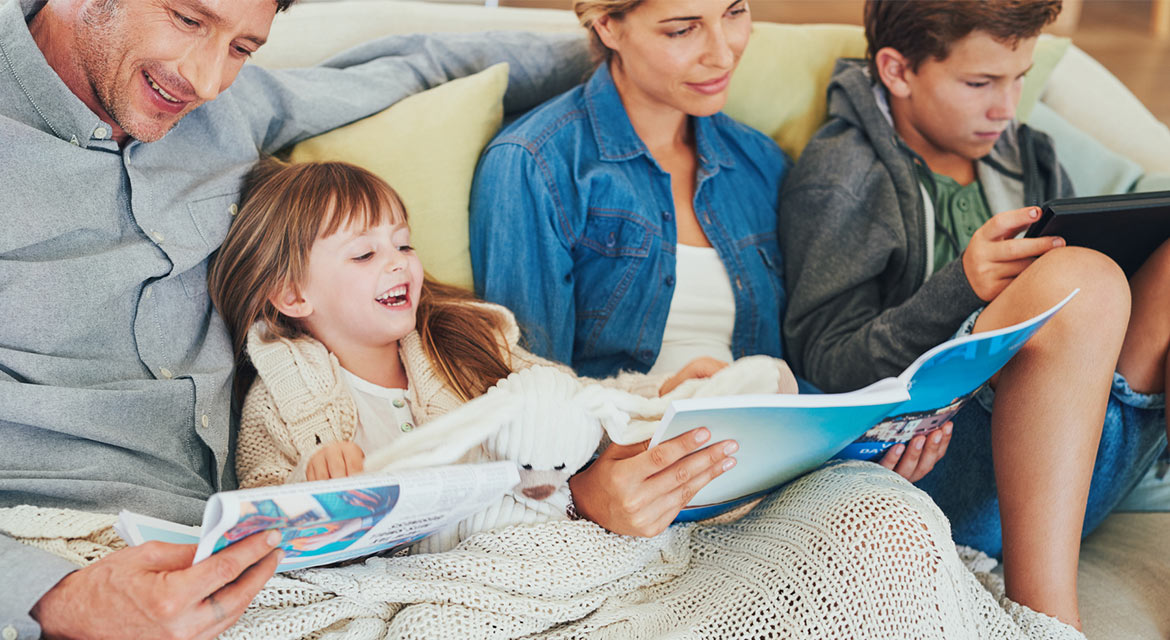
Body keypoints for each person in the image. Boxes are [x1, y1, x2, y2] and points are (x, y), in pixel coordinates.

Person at [0, 0, 595, 636]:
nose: (207, 82)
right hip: (47, 546)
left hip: (240, 554)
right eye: (188, 19)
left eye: (242, 48)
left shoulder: (225, 110)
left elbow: (412, 67)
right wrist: (58, 598)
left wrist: (622, 47)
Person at [469, 0, 950, 516]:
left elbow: (797, 368)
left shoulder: (760, 164)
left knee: (898, 518)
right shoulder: (533, 164)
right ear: (607, 24)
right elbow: (532, 394)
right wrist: (647, 406)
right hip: (631, 489)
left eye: (735, 12)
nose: (723, 54)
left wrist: (869, 442)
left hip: (770, 480)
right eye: (683, 30)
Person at [778, 0, 1170, 629]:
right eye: (980, 83)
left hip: (1078, 471)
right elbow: (826, 362)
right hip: (944, 472)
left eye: (1019, 79)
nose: (1006, 108)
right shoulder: (843, 174)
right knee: (1080, 280)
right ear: (897, 71)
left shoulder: (1029, 154)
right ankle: (1047, 620)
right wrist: (960, 286)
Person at [208, 158, 754, 493]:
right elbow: (260, 502)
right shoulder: (279, 399)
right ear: (293, 295)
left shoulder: (464, 340)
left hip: (509, 534)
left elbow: (568, 398)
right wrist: (311, 477)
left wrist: (659, 392)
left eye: (403, 245)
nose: (398, 263)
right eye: (364, 254)